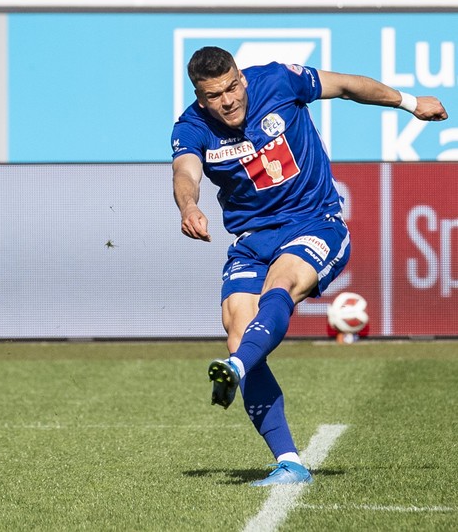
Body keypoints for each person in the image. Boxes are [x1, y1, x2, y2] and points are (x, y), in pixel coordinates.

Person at [170, 46, 447, 486]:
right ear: (200, 98)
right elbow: (186, 172)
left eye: (231, 88)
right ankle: (290, 462)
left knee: (282, 281)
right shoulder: (191, 127)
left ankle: (237, 368)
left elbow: (349, 86)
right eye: (214, 95)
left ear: (241, 78)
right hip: (252, 240)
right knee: (237, 328)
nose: (227, 101)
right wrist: (188, 206)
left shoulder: (279, 80)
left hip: (315, 223)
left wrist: (410, 103)